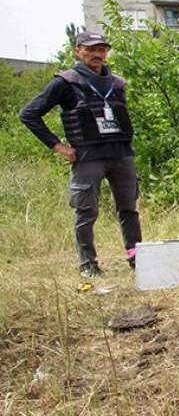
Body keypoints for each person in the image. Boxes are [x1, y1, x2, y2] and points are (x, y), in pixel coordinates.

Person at [19, 31, 142, 277]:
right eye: (91, 49)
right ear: (78, 50)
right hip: (88, 157)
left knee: (129, 208)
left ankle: (137, 258)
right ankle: (88, 263)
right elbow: (29, 114)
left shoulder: (117, 83)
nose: (98, 54)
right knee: (87, 211)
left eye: (102, 49)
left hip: (121, 154)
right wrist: (58, 147)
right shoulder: (65, 82)